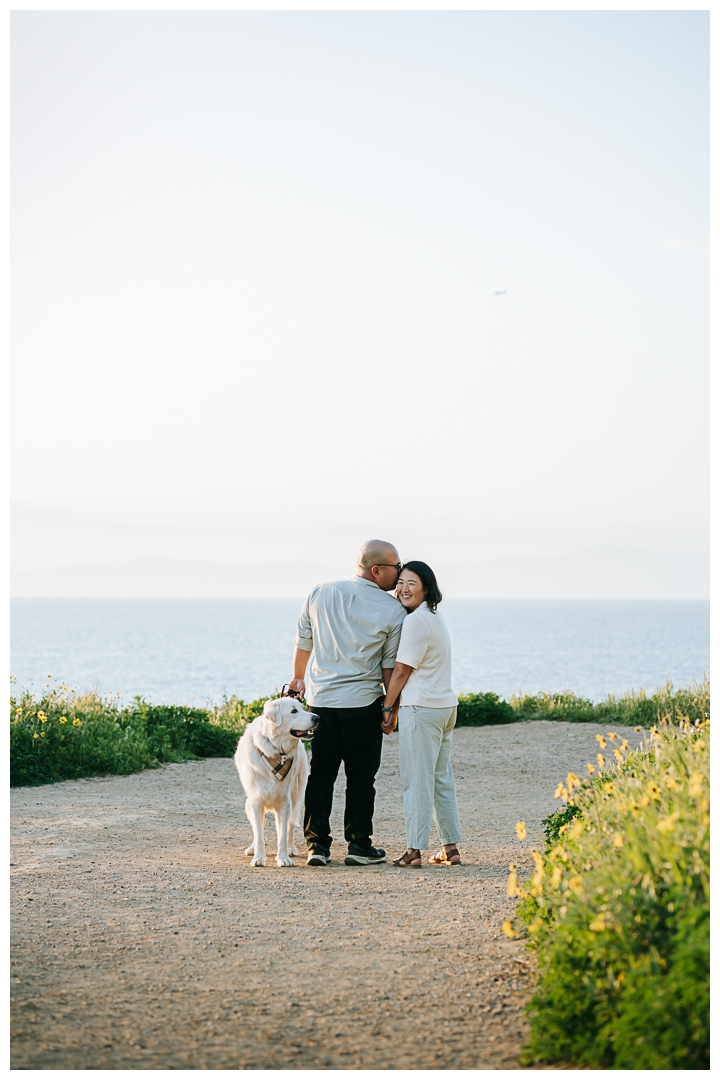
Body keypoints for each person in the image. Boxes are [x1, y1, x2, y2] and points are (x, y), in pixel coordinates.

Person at [288, 539, 406, 867]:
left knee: (320, 775)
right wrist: (390, 709)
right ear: (377, 570)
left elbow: (303, 640)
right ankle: (358, 846)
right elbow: (388, 667)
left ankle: (317, 847)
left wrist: (298, 678)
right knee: (361, 778)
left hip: (321, 703)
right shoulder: (393, 610)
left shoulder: (320, 592)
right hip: (363, 704)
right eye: (396, 567)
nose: (399, 573)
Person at [380, 561, 462, 867]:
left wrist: (388, 708)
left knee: (416, 781)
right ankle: (450, 849)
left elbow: (401, 670)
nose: (402, 589)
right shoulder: (434, 616)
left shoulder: (415, 622)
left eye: (411, 583)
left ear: (426, 588)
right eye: (399, 582)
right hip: (444, 707)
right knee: (441, 779)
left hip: (423, 709)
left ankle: (413, 851)